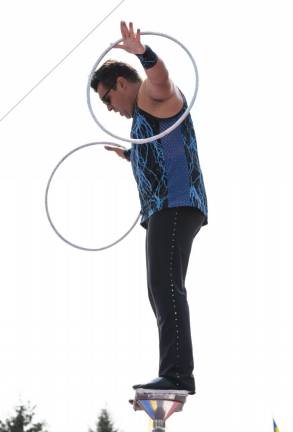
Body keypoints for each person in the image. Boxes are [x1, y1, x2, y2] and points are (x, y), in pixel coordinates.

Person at [91, 21, 208, 395]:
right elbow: (162, 151)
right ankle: (174, 372)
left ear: (121, 83)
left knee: (165, 285)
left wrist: (143, 53)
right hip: (165, 207)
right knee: (160, 287)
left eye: (107, 99)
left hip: (175, 204)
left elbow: (164, 81)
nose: (110, 109)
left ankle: (177, 374)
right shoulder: (144, 117)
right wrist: (131, 155)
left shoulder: (150, 97)